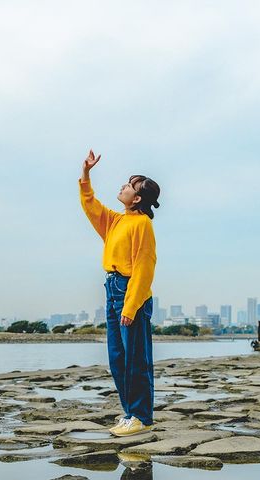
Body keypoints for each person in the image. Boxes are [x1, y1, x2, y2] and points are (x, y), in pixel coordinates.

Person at [79, 150, 161, 436]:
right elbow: (91, 205)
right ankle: (129, 414)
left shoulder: (142, 225)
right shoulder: (116, 221)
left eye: (130, 186)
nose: (124, 187)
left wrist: (131, 305)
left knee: (136, 359)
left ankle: (141, 417)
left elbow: (144, 267)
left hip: (130, 293)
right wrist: (87, 174)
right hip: (112, 288)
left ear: (137, 198)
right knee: (117, 357)